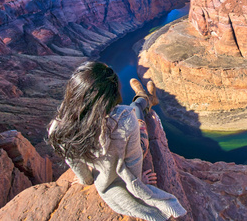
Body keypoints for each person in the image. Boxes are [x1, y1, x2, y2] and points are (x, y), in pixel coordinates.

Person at [47, 61, 186, 221]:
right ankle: (145, 98)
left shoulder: (60, 127)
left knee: (134, 110)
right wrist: (139, 181)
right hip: (135, 143)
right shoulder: (125, 117)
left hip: (105, 165)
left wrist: (86, 179)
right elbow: (134, 157)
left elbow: (74, 161)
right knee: (136, 111)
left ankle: (145, 97)